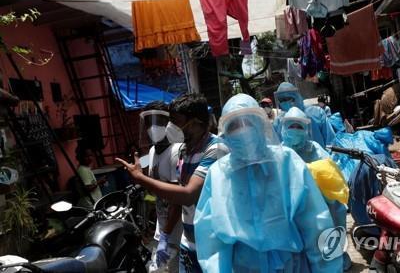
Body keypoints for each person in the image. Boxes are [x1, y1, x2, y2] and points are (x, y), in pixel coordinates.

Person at [194, 94, 343, 272]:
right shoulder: (218, 174)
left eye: (248, 122)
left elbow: (316, 223)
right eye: (234, 126)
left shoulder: (287, 162)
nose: (242, 130)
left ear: (260, 125)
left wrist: (328, 269)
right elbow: (212, 244)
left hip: (294, 266)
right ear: (225, 133)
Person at [117, 93, 228, 273]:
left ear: (197, 122)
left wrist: (141, 178)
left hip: (213, 242)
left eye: (176, 122)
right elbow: (178, 195)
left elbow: (188, 194)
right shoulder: (185, 150)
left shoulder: (216, 149)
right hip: (189, 240)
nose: (171, 128)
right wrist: (164, 236)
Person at [280, 107, 352, 271]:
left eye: (299, 127)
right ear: (283, 128)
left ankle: (336, 253)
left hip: (318, 200)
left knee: (336, 210)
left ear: (306, 130)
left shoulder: (315, 149)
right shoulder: (280, 153)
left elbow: (331, 173)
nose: (295, 131)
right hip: (291, 202)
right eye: (291, 126)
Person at [139, 101, 183, 272]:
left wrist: (167, 234)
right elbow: (155, 191)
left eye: (157, 122)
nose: (152, 127)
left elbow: (177, 199)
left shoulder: (177, 151)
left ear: (168, 123)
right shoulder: (151, 152)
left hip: (178, 232)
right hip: (162, 228)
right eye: (149, 123)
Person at [75, 143, 105, 209]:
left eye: (91, 155)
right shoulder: (83, 170)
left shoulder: (86, 168)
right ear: (80, 157)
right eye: (86, 156)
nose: (90, 158)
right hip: (90, 205)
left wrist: (99, 184)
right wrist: (99, 182)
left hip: (94, 203)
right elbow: (87, 189)